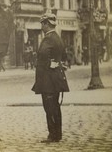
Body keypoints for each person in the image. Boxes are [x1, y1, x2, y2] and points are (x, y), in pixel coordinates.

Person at [31, 13, 70, 143]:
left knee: (49, 107)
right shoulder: (57, 37)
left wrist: (48, 63)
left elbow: (42, 57)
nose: (41, 26)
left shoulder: (48, 39)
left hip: (48, 80)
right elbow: (64, 57)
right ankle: (57, 134)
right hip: (56, 78)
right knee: (55, 107)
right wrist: (57, 63)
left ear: (47, 24)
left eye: (42, 23)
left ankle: (53, 135)